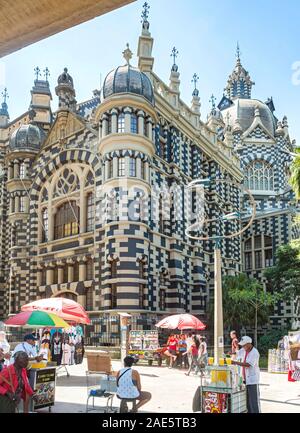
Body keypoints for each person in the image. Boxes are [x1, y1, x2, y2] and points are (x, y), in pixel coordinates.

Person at [231, 336, 261, 413]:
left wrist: (235, 362)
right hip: (245, 380)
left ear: (248, 344)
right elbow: (238, 353)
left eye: (244, 345)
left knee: (254, 401)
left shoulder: (255, 352)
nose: (243, 346)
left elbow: (248, 364)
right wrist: (231, 353)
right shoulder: (244, 350)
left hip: (252, 380)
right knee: (247, 401)